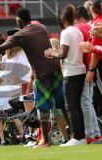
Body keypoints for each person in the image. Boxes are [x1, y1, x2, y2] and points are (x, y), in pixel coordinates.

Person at [0, 8, 66, 147]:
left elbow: (1, 48)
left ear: (18, 20)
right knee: (62, 106)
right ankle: (73, 137)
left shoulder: (21, 34)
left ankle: (45, 141)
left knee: (43, 109)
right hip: (56, 70)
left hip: (42, 74)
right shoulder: (41, 27)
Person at [45, 4, 87, 146]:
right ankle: (81, 136)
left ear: (63, 18)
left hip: (71, 72)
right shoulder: (78, 31)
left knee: (70, 106)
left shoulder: (66, 32)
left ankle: (76, 137)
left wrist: (52, 53)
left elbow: (62, 54)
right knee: (76, 105)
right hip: (80, 70)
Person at [75, 6, 102, 144]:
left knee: (85, 102)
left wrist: (91, 69)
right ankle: (94, 134)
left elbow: (94, 51)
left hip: (85, 69)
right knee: (87, 102)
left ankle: (92, 134)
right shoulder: (93, 25)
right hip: (91, 69)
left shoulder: (93, 24)